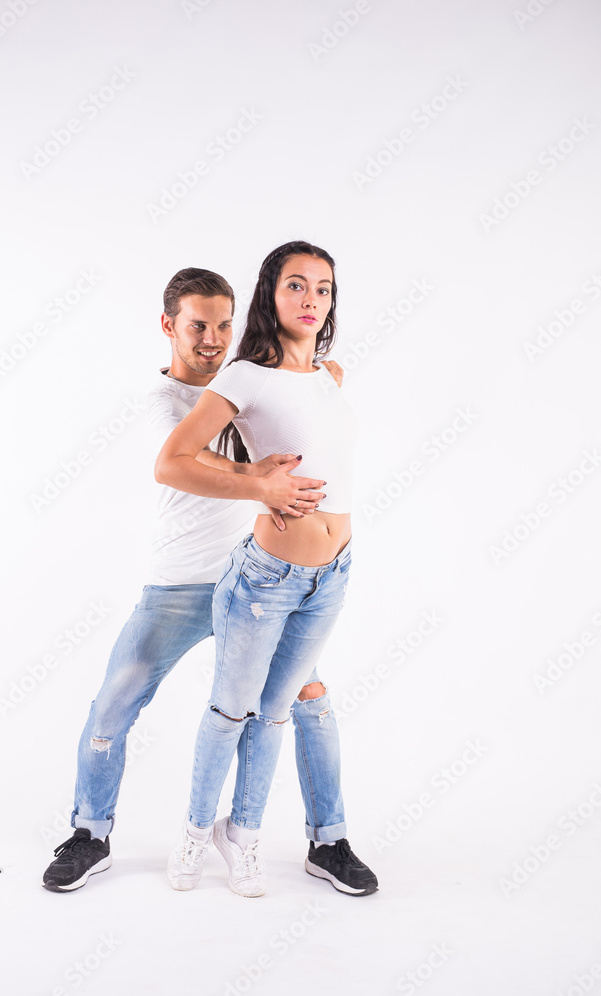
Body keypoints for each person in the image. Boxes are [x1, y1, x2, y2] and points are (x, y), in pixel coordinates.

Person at [42, 265, 377, 898]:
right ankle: (90, 833)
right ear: (168, 326)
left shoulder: (252, 380)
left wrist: (317, 386)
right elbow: (183, 462)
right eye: (198, 325)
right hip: (181, 585)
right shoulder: (164, 402)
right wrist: (260, 481)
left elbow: (306, 403)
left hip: (260, 584)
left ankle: (328, 841)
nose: (212, 339)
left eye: (224, 325)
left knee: (307, 701)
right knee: (115, 699)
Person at [156, 241, 377, 898]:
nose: (311, 299)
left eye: (323, 288)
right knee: (231, 712)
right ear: (269, 294)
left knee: (276, 713)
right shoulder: (246, 376)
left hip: (331, 576)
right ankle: (194, 833)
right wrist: (257, 484)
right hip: (266, 580)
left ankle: (243, 836)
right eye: (296, 285)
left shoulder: (330, 375)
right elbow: (172, 461)